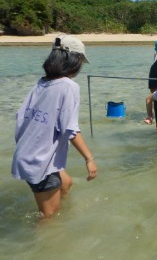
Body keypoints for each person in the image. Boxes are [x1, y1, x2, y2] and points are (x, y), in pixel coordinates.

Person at [11, 35, 98, 217]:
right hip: (38, 159)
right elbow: (70, 129)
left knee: (66, 184)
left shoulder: (42, 82)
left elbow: (21, 118)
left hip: (27, 154)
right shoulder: (69, 86)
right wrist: (89, 159)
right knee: (49, 217)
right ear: (74, 61)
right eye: (81, 60)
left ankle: (64, 214)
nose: (81, 66)